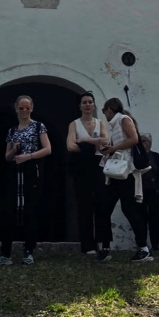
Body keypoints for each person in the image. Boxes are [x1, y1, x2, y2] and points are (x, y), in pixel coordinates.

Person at [0, 94, 51, 266]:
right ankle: (5, 253)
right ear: (16, 108)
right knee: (8, 211)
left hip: (31, 171)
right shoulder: (12, 130)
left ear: (31, 108)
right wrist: (14, 149)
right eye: (21, 107)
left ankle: (28, 251)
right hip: (14, 173)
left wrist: (29, 156)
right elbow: (7, 157)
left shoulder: (39, 126)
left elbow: (47, 149)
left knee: (30, 211)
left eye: (27, 107)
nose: (24, 110)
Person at [96, 97, 153, 263]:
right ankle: (106, 248)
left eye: (104, 111)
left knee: (129, 209)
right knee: (105, 208)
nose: (105, 115)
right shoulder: (115, 123)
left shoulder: (123, 119)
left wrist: (113, 148)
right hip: (117, 172)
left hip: (126, 172)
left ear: (109, 109)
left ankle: (143, 248)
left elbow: (134, 139)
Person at [66, 90, 108, 255]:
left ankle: (102, 242)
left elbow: (105, 141)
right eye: (84, 102)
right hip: (81, 166)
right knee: (84, 205)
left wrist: (83, 141)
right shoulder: (74, 124)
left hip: (98, 166)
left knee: (101, 203)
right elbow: (70, 146)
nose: (88, 105)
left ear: (94, 104)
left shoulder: (100, 122)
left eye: (90, 102)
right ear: (80, 106)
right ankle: (87, 245)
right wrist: (94, 143)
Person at [139, 133, 159, 251]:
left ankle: (155, 246)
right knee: (141, 219)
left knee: (155, 220)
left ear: (150, 143)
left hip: (155, 192)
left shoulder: (156, 156)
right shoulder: (135, 156)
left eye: (145, 141)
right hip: (140, 193)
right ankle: (142, 245)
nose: (143, 143)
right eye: (140, 141)